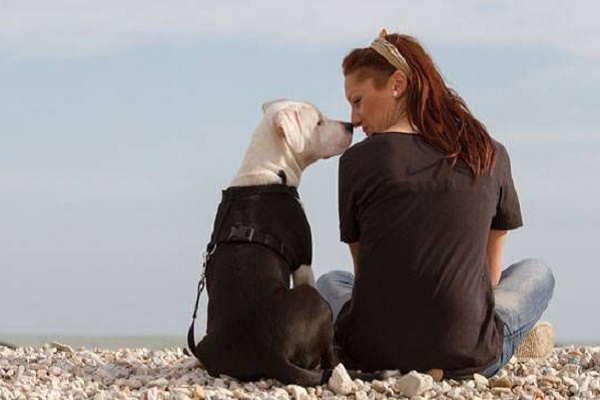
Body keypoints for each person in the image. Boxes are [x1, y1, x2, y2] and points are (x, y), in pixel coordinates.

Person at [316, 29, 555, 379]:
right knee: (536, 272)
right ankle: (514, 336)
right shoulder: (487, 152)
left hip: (371, 352)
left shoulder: (356, 161)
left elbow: (365, 273)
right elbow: (489, 277)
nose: (353, 118)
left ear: (397, 84)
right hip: (467, 354)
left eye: (357, 100)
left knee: (332, 281)